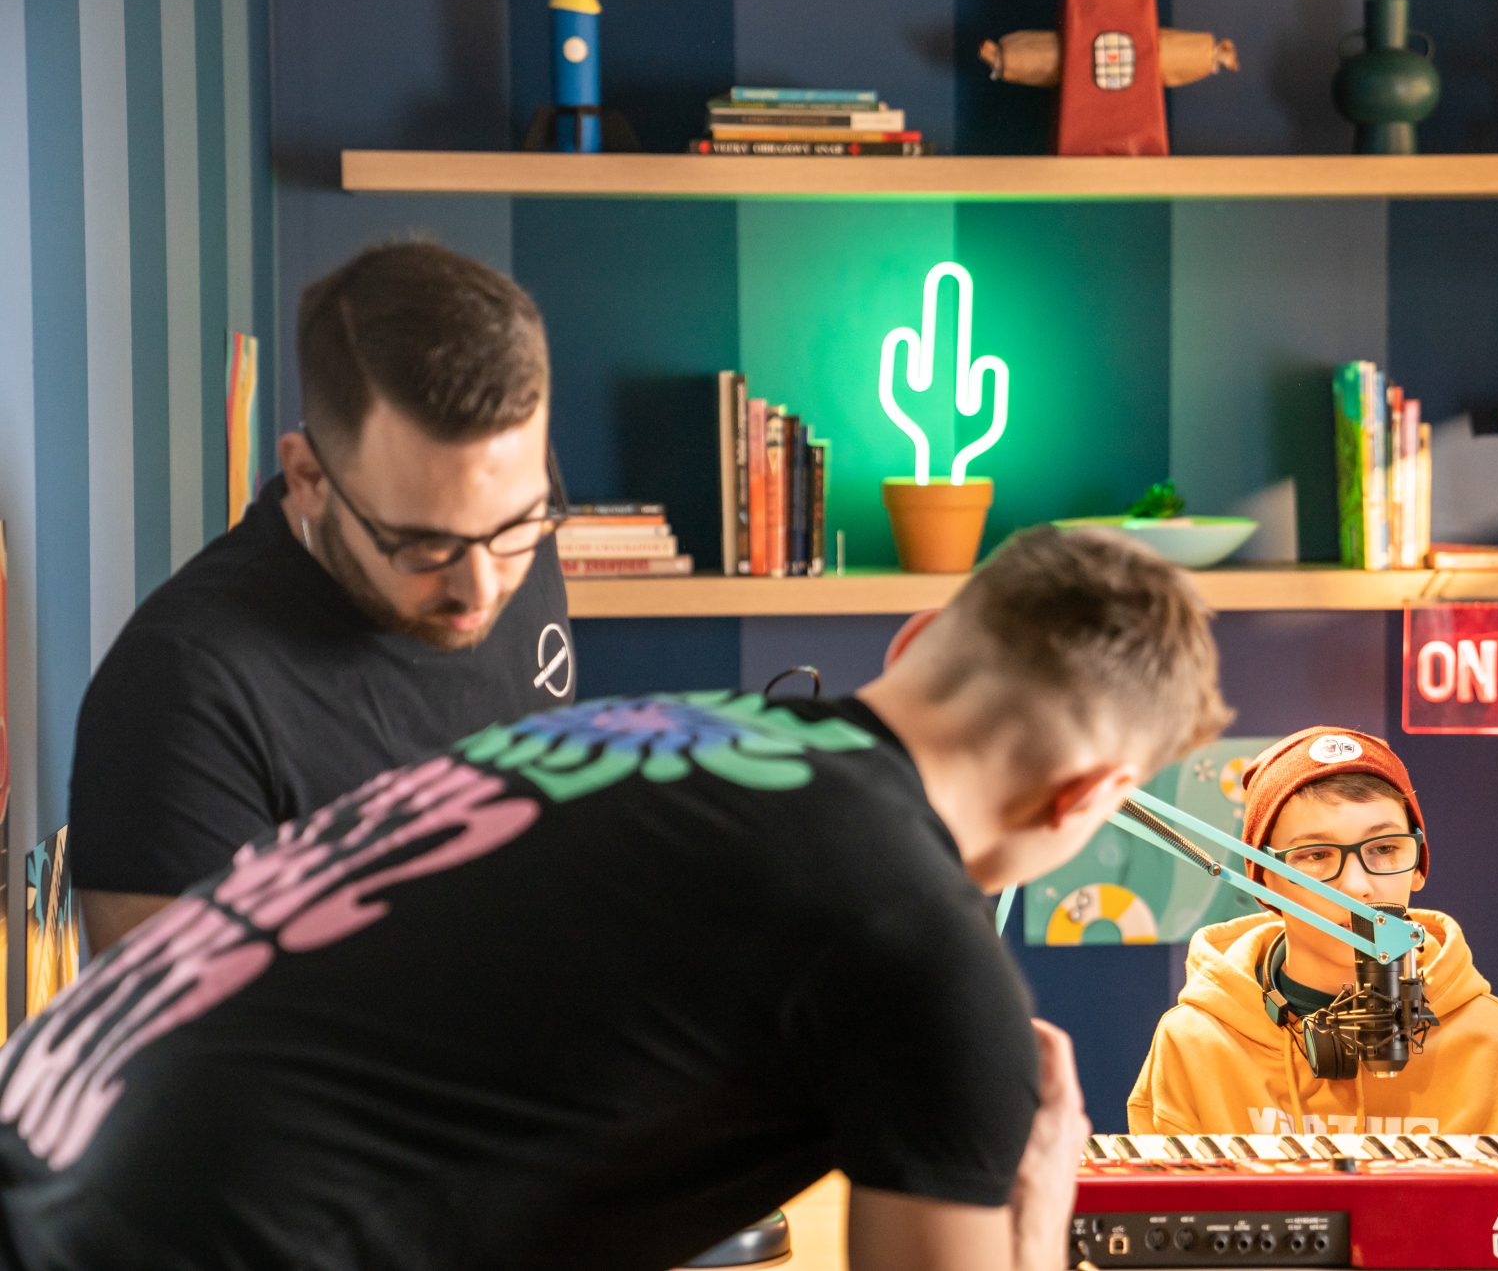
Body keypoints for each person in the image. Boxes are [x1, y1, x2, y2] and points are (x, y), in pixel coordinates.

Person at [0, 527, 1233, 1271]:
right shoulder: (924, 949)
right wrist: (1039, 1210)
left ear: (913, 640)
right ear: (1087, 795)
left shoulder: (641, 729)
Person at [71, 240, 577, 952]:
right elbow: (178, 1023)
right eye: (425, 544)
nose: (482, 587)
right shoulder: (179, 694)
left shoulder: (497, 503)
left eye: (517, 525)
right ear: (309, 477)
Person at [1127, 726, 1498, 1137]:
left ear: (1418, 865)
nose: (1358, 887)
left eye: (1385, 848)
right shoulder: (1195, 1044)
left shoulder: (1491, 1043)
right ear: (1264, 880)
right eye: (1316, 856)